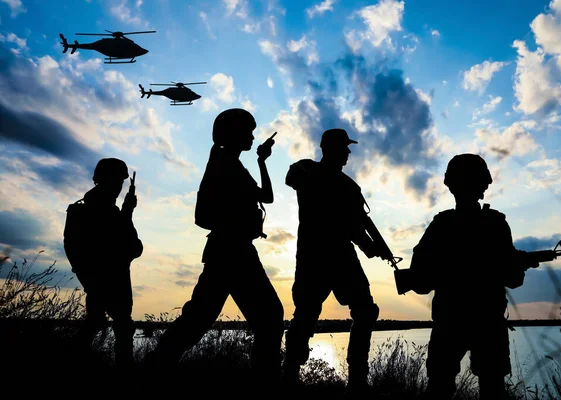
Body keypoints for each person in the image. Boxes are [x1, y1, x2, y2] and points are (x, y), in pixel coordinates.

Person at [147, 108, 284, 389]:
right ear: (233, 133)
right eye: (248, 131)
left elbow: (267, 197)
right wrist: (234, 223)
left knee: (199, 320)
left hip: (235, 252)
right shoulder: (221, 164)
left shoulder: (233, 164)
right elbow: (202, 216)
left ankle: (153, 369)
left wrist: (261, 161)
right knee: (268, 318)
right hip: (231, 252)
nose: (252, 135)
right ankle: (267, 384)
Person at [408, 153, 539, 400]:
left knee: (439, 387)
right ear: (483, 185)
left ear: (451, 185)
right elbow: (513, 280)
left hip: (449, 318)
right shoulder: (495, 223)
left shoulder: (441, 224)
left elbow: (419, 276)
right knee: (492, 390)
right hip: (487, 320)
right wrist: (521, 265)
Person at [282, 128, 391, 392]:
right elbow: (291, 177)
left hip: (339, 256)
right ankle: (290, 375)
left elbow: (356, 226)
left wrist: (374, 248)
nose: (348, 153)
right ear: (329, 148)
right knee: (306, 316)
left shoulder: (348, 186)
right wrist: (369, 245)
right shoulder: (307, 170)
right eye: (344, 148)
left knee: (364, 311)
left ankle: (356, 379)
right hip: (315, 257)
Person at [63, 157, 143, 370]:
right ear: (105, 180)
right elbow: (132, 247)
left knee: (98, 322)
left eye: (121, 182)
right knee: (122, 327)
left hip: (101, 280)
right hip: (107, 280)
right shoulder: (101, 212)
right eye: (117, 181)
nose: (119, 187)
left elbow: (131, 247)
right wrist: (127, 214)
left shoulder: (88, 210)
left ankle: (72, 362)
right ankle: (124, 375)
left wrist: (126, 213)